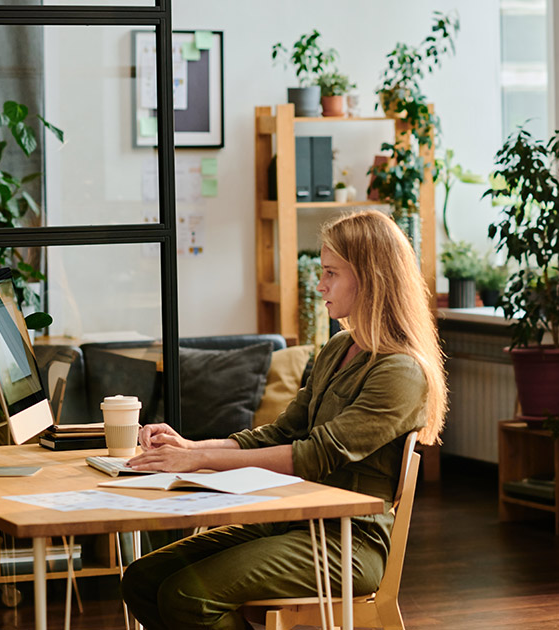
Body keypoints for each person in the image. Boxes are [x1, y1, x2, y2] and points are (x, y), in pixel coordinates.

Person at [120, 210, 447, 630]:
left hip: (346, 542)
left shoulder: (401, 372)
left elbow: (315, 455)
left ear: (370, 277)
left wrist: (200, 462)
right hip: (292, 523)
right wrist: (191, 448)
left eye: (331, 273)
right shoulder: (338, 347)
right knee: (143, 580)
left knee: (186, 595)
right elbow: (282, 433)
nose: (320, 284)